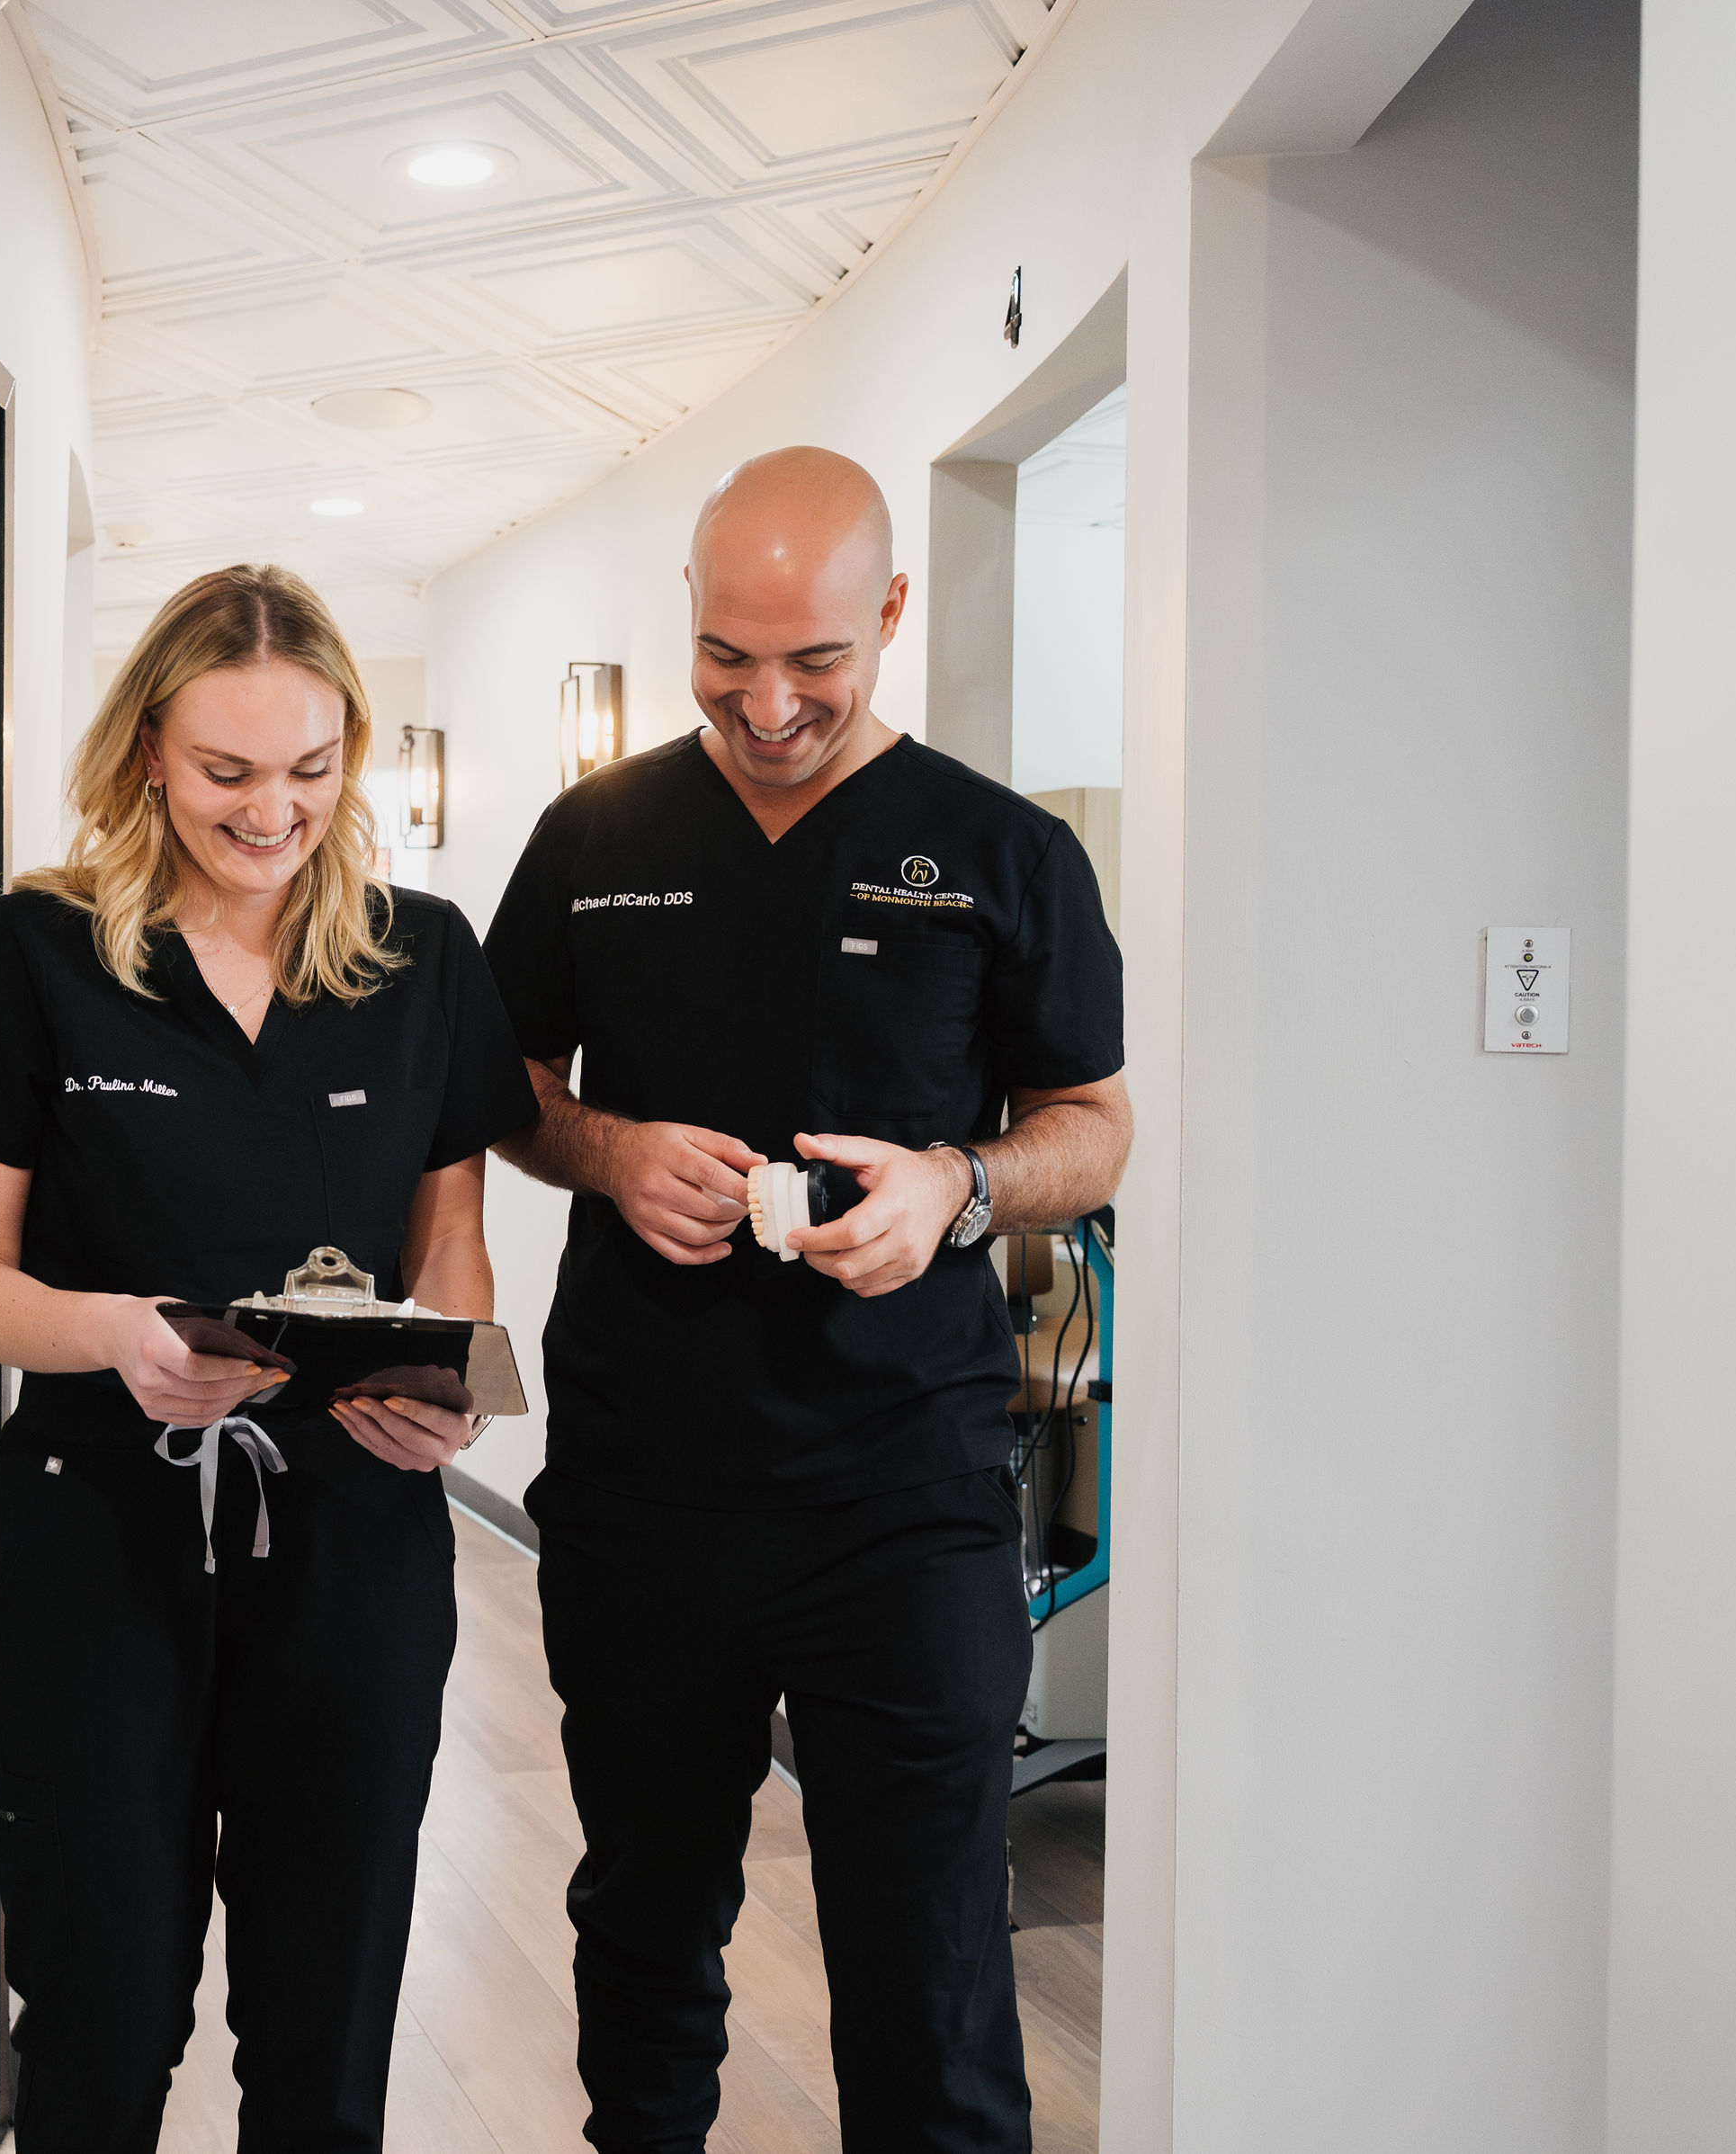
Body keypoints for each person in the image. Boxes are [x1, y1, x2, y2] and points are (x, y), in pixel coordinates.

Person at [481, 448, 1132, 2154]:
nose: (769, 704)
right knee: (645, 1925)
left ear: (892, 614)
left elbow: (1094, 1125)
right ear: (689, 617)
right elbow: (504, 1088)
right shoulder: (592, 837)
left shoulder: (1002, 850)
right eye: (730, 656)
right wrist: (609, 1149)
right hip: (645, 1485)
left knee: (924, 1965)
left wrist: (961, 1188)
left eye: (819, 663)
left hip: (905, 1493)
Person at [0, 563, 538, 2153]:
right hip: (99, 1540)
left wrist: (438, 1387)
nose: (273, 812)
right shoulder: (38, 955)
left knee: (326, 2026)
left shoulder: (422, 957)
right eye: (228, 773)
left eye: (311, 771)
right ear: (151, 755)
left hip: (354, 1549)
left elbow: (448, 1247)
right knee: (104, 2010)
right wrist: (112, 1334)